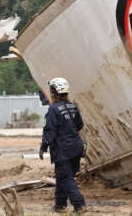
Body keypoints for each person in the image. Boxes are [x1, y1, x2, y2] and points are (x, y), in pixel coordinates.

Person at [39, 77, 86, 213]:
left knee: (66, 178)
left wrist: (43, 147)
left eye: (51, 90)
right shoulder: (73, 106)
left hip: (63, 150)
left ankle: (79, 205)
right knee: (62, 176)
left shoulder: (53, 109)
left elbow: (50, 130)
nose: (50, 93)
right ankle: (60, 205)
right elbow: (79, 125)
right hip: (76, 147)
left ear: (55, 92)